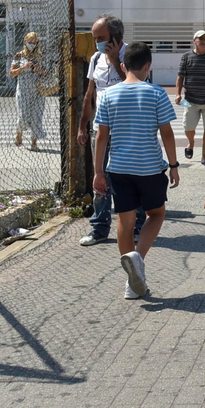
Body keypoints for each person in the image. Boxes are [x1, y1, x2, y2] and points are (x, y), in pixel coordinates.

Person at [93, 43, 180, 299]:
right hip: (150, 168)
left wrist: (98, 172)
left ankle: (131, 282)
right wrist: (173, 165)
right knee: (156, 214)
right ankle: (137, 261)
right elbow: (166, 132)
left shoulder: (108, 95)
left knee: (124, 220)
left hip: (118, 168)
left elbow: (101, 136)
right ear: (148, 66)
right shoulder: (156, 93)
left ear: (123, 66)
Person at [78, 15, 128, 247]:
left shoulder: (131, 55)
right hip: (102, 130)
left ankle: (136, 227)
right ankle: (99, 229)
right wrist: (82, 126)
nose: (97, 42)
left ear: (116, 38)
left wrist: (116, 60)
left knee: (128, 178)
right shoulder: (96, 58)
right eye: (94, 38)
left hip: (127, 130)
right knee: (100, 179)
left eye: (101, 38)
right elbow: (90, 94)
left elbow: (136, 83)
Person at [175, 30, 205, 166]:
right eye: (200, 38)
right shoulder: (186, 57)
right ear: (194, 41)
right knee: (188, 127)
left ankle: (204, 157)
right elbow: (180, 77)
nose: (203, 41)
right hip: (190, 100)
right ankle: (191, 143)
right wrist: (178, 94)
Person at [10, 31, 45, 151]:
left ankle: (34, 144)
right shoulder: (18, 56)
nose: (32, 45)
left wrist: (39, 69)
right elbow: (12, 73)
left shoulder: (40, 56)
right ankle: (19, 132)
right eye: (30, 42)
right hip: (23, 91)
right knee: (23, 116)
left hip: (38, 92)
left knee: (36, 117)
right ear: (25, 42)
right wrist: (23, 67)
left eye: (35, 43)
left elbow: (46, 73)